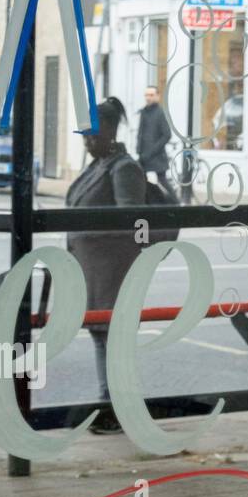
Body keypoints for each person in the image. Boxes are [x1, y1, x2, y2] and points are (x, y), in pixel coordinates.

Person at [66, 96, 147, 434]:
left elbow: (131, 222)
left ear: (111, 132)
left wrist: (92, 234)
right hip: (93, 270)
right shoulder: (98, 165)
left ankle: (115, 409)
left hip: (112, 270)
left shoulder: (124, 168)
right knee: (102, 337)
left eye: (92, 135)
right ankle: (109, 405)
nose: (87, 141)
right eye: (84, 135)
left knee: (111, 338)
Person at [136, 85, 174, 194]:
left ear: (158, 96)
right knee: (140, 180)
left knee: (162, 181)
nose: (148, 98)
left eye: (151, 95)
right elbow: (141, 132)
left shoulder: (159, 112)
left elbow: (167, 135)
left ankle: (176, 203)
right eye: (146, 95)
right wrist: (138, 148)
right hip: (144, 155)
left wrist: (153, 150)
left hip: (156, 155)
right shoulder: (144, 112)